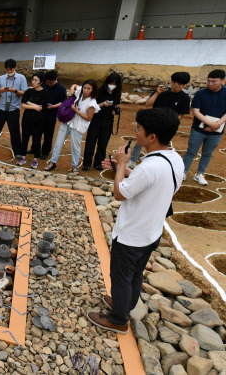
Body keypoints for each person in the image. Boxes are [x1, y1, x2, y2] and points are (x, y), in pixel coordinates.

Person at [87, 108, 183, 335]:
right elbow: (151, 182)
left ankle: (118, 319)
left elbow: (120, 194)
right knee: (136, 274)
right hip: (150, 232)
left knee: (120, 277)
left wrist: (121, 166)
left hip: (132, 234)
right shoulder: (174, 158)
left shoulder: (149, 166)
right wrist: (129, 171)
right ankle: (125, 304)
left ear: (152, 137)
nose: (135, 131)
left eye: (138, 129)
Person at [129, 72, 191, 169]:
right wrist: (157, 93)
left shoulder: (185, 98)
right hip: (152, 122)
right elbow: (148, 104)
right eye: (178, 84)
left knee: (160, 146)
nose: (180, 86)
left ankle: (155, 165)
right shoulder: (162, 92)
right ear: (172, 82)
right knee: (140, 141)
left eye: (183, 85)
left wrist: (171, 125)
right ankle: (132, 161)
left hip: (167, 126)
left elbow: (180, 115)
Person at [45, 80, 100, 174]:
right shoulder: (80, 92)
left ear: (93, 90)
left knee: (75, 147)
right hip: (68, 121)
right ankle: (53, 162)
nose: (86, 90)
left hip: (78, 126)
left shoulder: (92, 103)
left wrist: (77, 111)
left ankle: (75, 166)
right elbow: (74, 85)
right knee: (58, 142)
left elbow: (89, 118)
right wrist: (72, 89)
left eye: (89, 89)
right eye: (85, 88)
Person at [182, 69, 226, 185]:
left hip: (216, 131)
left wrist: (216, 125)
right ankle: (183, 172)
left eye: (214, 81)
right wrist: (210, 124)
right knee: (191, 151)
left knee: (208, 153)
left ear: (223, 81)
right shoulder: (201, 94)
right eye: (208, 81)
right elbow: (196, 111)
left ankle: (200, 174)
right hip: (198, 129)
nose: (210, 84)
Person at [0, 59, 28, 158]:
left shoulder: (21, 78)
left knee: (14, 131)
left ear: (15, 68)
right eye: (7, 70)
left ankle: (17, 152)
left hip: (13, 109)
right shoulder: (1, 78)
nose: (9, 71)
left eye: (10, 69)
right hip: (1, 108)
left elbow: (25, 93)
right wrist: (0, 90)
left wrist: (15, 90)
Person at [83, 72, 123, 171]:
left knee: (103, 143)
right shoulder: (99, 91)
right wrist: (103, 104)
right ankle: (87, 163)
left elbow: (116, 105)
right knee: (90, 142)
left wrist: (115, 110)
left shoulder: (117, 93)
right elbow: (93, 105)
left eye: (115, 83)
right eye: (111, 83)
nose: (112, 85)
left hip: (108, 120)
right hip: (96, 119)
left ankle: (98, 163)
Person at [19, 72, 48, 169]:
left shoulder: (45, 93)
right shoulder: (29, 91)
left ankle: (35, 159)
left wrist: (29, 104)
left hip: (38, 120)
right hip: (26, 119)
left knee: (37, 139)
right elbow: (23, 104)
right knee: (25, 138)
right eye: (33, 80)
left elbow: (41, 107)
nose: (33, 82)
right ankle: (23, 157)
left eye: (36, 80)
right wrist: (34, 106)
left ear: (41, 82)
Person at [38, 70, 67, 159]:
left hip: (51, 114)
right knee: (37, 132)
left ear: (56, 79)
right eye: (48, 82)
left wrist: (53, 106)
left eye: (51, 82)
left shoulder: (61, 89)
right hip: (40, 113)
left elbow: (64, 102)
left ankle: (45, 152)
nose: (49, 84)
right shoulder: (44, 85)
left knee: (48, 134)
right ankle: (34, 148)